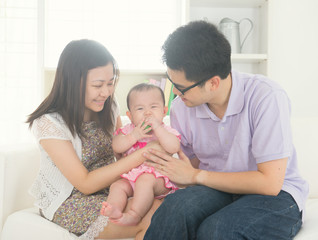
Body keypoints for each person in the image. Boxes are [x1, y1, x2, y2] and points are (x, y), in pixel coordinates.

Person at [143, 20, 309, 240]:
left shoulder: (266, 97)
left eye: (181, 88)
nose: (175, 91)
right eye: (171, 81)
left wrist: (195, 175)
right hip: (216, 187)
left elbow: (269, 183)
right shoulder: (181, 107)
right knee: (174, 209)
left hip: (276, 194)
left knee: (217, 230)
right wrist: (176, 172)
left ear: (213, 83)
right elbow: (190, 167)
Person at [26, 39, 163, 240]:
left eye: (110, 83)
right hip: (71, 200)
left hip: (113, 188)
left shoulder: (109, 105)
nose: (106, 92)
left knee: (166, 208)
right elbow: (85, 184)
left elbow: (121, 151)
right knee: (152, 217)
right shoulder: (49, 123)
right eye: (98, 85)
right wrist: (144, 154)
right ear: (73, 83)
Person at [100, 83, 181, 226]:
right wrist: (134, 136)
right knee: (117, 186)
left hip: (159, 178)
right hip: (132, 177)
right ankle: (114, 209)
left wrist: (157, 128)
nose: (147, 113)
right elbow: (117, 147)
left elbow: (174, 146)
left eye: (153, 107)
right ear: (130, 116)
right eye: (140, 108)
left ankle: (134, 215)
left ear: (164, 111)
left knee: (145, 180)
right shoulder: (129, 130)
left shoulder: (166, 130)